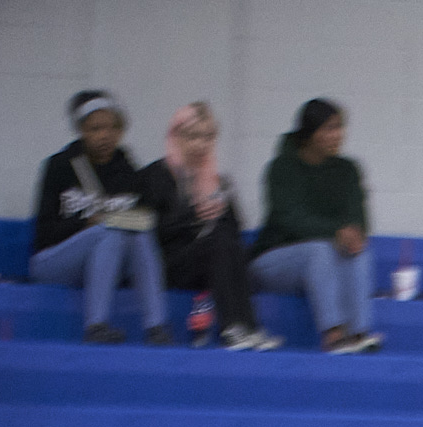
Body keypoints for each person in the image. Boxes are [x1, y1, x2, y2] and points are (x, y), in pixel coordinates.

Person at [29, 91, 170, 346]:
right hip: (55, 260)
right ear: (81, 131)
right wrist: (86, 223)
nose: (105, 136)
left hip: (108, 261)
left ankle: (156, 327)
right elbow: (44, 233)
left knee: (139, 232)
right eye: (95, 129)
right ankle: (96, 325)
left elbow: (147, 224)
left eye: (111, 128)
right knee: (111, 229)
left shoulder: (130, 173)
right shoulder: (59, 167)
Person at [149, 101, 281, 350]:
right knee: (219, 244)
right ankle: (232, 328)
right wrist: (193, 217)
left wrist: (216, 215)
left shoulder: (218, 180)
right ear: (176, 137)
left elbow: (235, 230)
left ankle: (248, 328)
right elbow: (154, 233)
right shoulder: (157, 175)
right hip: (170, 264)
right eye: (193, 137)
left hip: (210, 260)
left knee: (228, 244)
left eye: (208, 137)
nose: (201, 145)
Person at [253, 99, 380, 354]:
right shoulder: (281, 168)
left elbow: (358, 215)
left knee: (359, 254)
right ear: (310, 133)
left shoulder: (348, 170)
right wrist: (335, 232)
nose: (338, 135)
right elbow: (289, 220)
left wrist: (355, 235)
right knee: (319, 250)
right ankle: (333, 335)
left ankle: (358, 333)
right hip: (274, 260)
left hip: (326, 263)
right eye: (330, 128)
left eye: (340, 127)